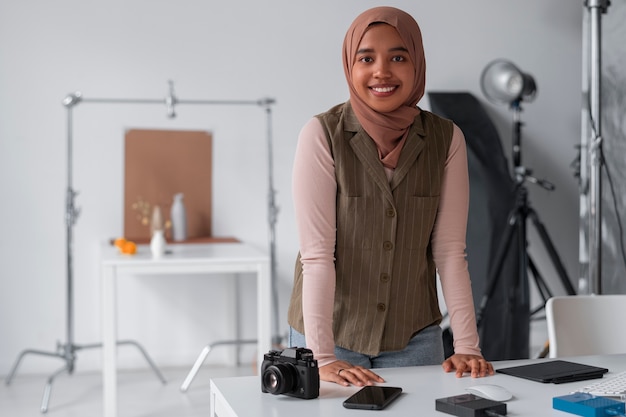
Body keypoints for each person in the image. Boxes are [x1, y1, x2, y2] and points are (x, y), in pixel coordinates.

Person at [287, 6, 494, 387]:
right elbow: (317, 257)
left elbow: (449, 251)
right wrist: (322, 357)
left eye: (398, 57)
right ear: (350, 65)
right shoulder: (321, 135)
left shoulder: (447, 139)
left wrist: (467, 345)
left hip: (415, 337)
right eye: (366, 58)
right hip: (332, 337)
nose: (382, 71)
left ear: (418, 63)